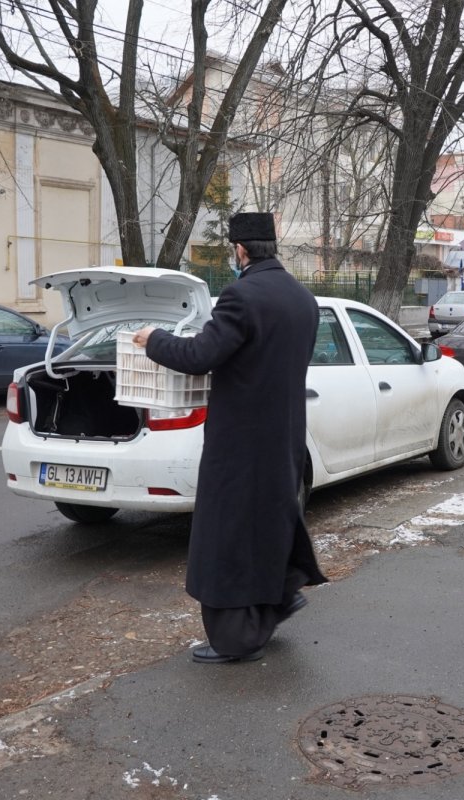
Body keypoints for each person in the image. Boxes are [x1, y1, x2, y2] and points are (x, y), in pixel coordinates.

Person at [132, 212, 326, 664]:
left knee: (229, 535)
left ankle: (238, 639)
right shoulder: (302, 298)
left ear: (240, 251)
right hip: (284, 437)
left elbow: (200, 354)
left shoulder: (242, 295)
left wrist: (153, 338)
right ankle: (279, 595)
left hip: (240, 442)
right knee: (269, 523)